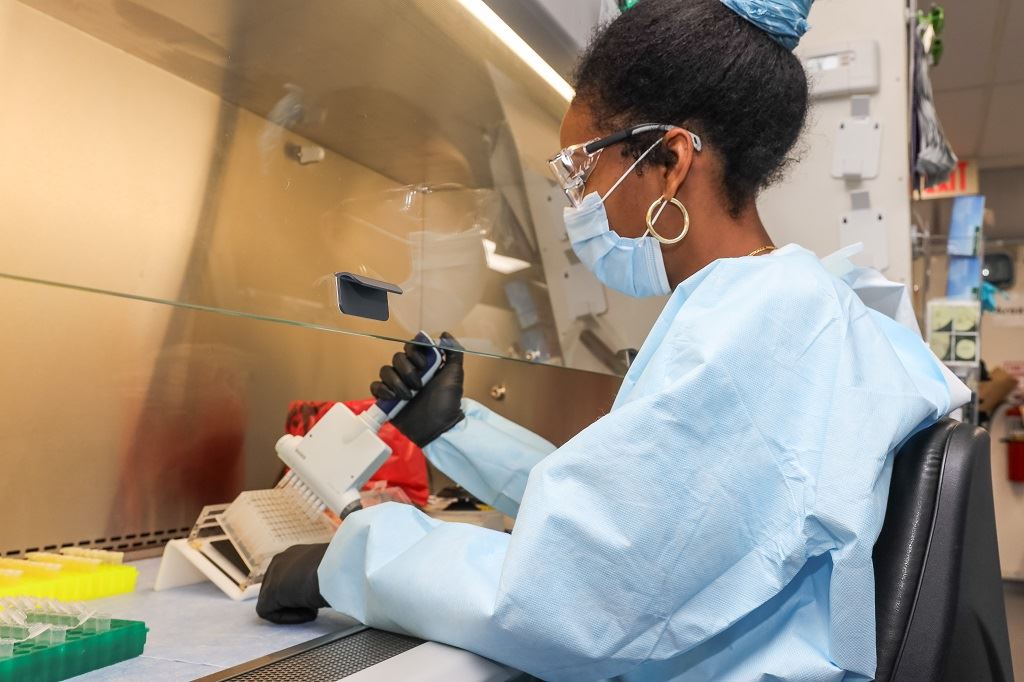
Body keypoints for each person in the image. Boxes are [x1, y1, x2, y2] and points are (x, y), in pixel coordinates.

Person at [256, 1, 966, 679]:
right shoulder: (776, 305)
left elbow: (569, 600)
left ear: (668, 162)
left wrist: (344, 559)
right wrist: (454, 430)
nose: (577, 204)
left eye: (580, 168)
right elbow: (628, 515)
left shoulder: (755, 330)